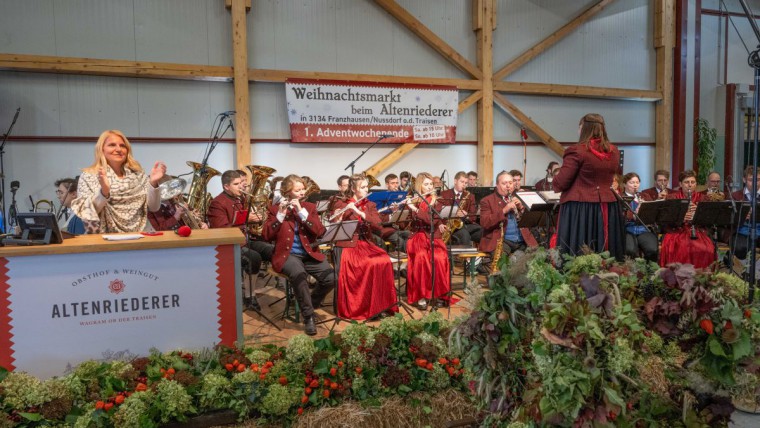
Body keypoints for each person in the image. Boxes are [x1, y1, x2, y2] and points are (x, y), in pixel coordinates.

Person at [263, 174, 335, 335]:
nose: (302, 192)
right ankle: (308, 316)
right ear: (288, 192)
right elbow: (267, 235)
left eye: (303, 189)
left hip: (309, 254)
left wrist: (302, 212)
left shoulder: (309, 207)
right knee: (298, 274)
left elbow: (320, 231)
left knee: (331, 277)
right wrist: (280, 215)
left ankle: (311, 302)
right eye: (298, 190)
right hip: (288, 255)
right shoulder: (274, 209)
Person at [553, 114, 624, 260]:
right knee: (604, 246)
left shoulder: (577, 151)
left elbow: (561, 182)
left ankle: (576, 276)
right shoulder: (614, 151)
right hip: (608, 206)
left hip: (581, 207)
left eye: (579, 128)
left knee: (580, 246)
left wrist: (555, 180)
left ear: (584, 129)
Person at [71, 130, 166, 234]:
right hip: (106, 239)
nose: (118, 149)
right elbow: (87, 212)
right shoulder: (89, 176)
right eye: (112, 145)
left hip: (140, 235)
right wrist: (104, 192)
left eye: (122, 146)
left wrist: (153, 183)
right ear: (101, 149)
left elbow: (154, 207)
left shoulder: (138, 175)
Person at [332, 174, 397, 320]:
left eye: (367, 186)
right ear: (354, 189)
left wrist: (360, 212)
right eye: (363, 187)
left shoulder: (369, 205)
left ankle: (380, 306)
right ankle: (365, 307)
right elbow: (335, 229)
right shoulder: (342, 204)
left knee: (383, 259)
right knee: (369, 263)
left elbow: (377, 225)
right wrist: (338, 218)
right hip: (349, 245)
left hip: (366, 243)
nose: (366, 189)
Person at [207, 170, 274, 278]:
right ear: (226, 186)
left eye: (240, 183)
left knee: (272, 250)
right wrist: (247, 220)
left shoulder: (240, 199)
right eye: (236, 184)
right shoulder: (217, 203)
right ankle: (249, 294)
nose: (241, 187)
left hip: (245, 239)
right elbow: (221, 230)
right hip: (230, 243)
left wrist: (259, 216)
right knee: (254, 257)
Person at [405, 172, 450, 310]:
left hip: (433, 237)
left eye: (431, 184)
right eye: (426, 184)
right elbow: (404, 224)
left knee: (440, 257)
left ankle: (440, 294)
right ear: (419, 186)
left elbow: (431, 221)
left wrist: (414, 208)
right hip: (417, 237)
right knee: (421, 258)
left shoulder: (437, 201)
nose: (430, 186)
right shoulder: (412, 200)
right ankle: (421, 296)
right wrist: (400, 209)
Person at [659, 170, 716, 268]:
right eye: (686, 182)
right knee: (681, 248)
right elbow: (664, 221)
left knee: (707, 249)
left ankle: (701, 278)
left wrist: (697, 214)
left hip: (698, 231)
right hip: (677, 231)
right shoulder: (671, 198)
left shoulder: (703, 198)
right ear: (680, 184)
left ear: (696, 184)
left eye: (693, 182)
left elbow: (710, 220)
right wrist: (682, 216)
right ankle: (679, 277)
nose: (690, 185)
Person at [478, 171, 525, 272]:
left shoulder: (519, 197)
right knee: (503, 266)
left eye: (510, 183)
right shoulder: (487, 201)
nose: (508, 186)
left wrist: (522, 209)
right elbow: (485, 222)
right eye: (504, 183)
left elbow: (530, 221)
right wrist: (504, 210)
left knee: (535, 259)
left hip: (521, 240)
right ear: (497, 185)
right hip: (501, 241)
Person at [620, 173, 658, 262]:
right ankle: (632, 272)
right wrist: (632, 215)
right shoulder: (620, 197)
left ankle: (650, 271)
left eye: (637, 182)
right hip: (627, 229)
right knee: (630, 250)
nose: (635, 185)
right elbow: (618, 215)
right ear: (625, 184)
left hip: (643, 228)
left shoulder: (645, 196)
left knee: (652, 249)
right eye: (632, 182)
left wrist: (645, 211)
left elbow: (653, 212)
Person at [438, 171, 482, 246]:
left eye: (466, 183)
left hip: (464, 224)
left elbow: (473, 216)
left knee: (482, 231)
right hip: (449, 226)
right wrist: (440, 224)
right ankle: (465, 257)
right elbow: (437, 212)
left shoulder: (470, 196)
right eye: (462, 182)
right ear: (455, 181)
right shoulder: (444, 194)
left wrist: (466, 215)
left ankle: (479, 256)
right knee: (464, 234)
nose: (464, 185)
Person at [728, 166, 760, 261]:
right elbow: (728, 218)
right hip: (742, 232)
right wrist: (742, 215)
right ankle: (743, 272)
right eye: (751, 180)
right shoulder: (735, 196)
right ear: (744, 180)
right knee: (739, 248)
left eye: (758, 180)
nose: (755, 183)